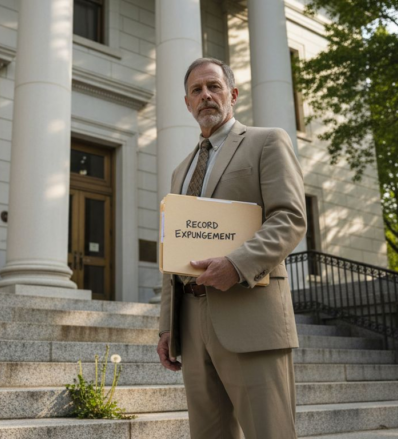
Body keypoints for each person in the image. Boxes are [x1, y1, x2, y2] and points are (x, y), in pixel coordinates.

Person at [156, 57, 306, 439]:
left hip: (250, 314)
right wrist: (166, 327)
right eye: (196, 90)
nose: (205, 95)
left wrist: (236, 264)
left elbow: (289, 218)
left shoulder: (266, 141)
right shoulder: (180, 170)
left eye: (213, 87)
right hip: (191, 323)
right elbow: (173, 249)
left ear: (233, 94)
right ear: (187, 103)